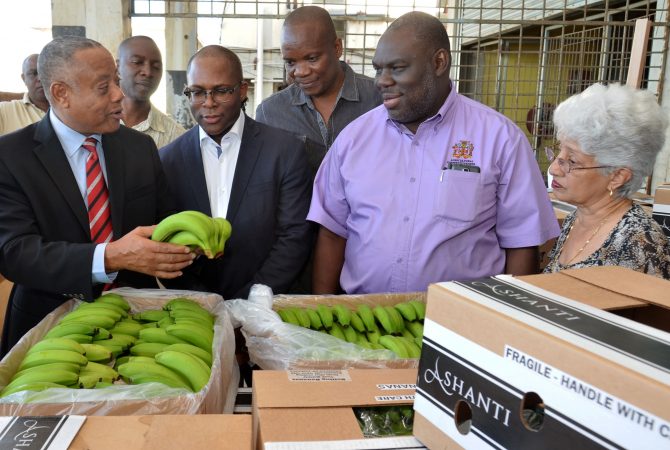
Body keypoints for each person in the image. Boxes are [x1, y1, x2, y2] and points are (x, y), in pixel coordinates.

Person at [308, 12, 560, 294]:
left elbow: (522, 243)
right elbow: (332, 233)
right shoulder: (353, 140)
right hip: (363, 323)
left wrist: (508, 322)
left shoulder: (500, 139)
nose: (382, 81)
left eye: (398, 67)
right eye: (379, 69)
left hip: (460, 325)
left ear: (439, 62)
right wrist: (322, 318)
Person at [0, 37, 194, 356]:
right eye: (104, 87)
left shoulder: (139, 149)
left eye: (116, 81)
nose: (120, 95)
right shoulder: (10, 157)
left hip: (137, 330)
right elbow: (16, 253)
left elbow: (164, 223)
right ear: (62, 94)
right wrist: (110, 256)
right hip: (45, 335)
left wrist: (188, 248)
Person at [160, 45, 313, 299]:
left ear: (242, 90)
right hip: (195, 309)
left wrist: (251, 299)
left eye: (221, 91)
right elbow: (167, 241)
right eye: (197, 92)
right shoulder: (167, 160)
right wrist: (203, 302)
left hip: (266, 305)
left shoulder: (284, 151)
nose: (208, 103)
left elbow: (294, 236)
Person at [543, 83, 670, 278]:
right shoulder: (576, 219)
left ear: (618, 176)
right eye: (558, 153)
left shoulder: (638, 241)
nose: (554, 169)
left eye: (572, 161)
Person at [255, 5, 382, 175]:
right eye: (291, 62)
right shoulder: (270, 113)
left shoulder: (379, 98)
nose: (301, 72)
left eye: (312, 58)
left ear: (337, 48)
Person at [117, 36, 186, 148]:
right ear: (118, 68)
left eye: (156, 67)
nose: (148, 72)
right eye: (137, 62)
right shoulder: (95, 126)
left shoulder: (176, 137)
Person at [0, 54, 49, 135]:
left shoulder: (70, 108)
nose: (40, 78)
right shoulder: (4, 111)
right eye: (33, 73)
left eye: (44, 72)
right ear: (24, 79)